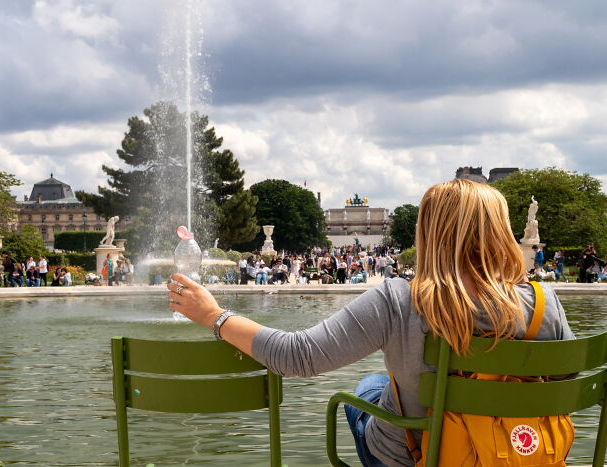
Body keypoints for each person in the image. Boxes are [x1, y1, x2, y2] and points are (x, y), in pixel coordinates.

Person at [166, 179, 574, 467]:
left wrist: (213, 316)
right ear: (499, 231)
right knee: (381, 386)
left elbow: (297, 356)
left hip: (419, 457)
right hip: (522, 454)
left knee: (369, 387)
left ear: (430, 233)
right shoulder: (545, 302)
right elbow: (566, 385)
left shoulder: (399, 300)